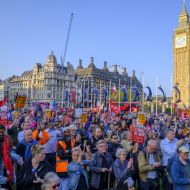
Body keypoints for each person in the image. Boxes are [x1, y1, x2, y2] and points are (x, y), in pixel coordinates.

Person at [0, 124, 14, 190]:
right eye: (0, 132)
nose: (1, 134)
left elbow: (11, 148)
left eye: (2, 132)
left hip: (7, 161)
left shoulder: (7, 138)